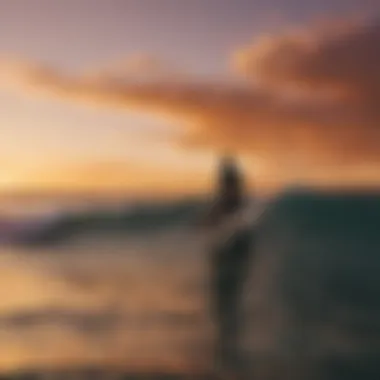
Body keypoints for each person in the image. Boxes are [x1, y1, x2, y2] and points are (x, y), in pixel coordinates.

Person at [201, 155, 255, 375]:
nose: (222, 185)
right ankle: (227, 356)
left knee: (229, 313)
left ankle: (229, 357)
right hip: (223, 266)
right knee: (225, 314)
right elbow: (205, 227)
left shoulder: (235, 204)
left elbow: (247, 239)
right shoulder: (223, 204)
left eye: (225, 180)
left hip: (233, 267)